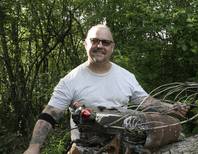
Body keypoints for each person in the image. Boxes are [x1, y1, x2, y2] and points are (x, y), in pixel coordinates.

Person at [24, 24, 188, 154]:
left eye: (105, 42)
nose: (100, 45)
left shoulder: (126, 77)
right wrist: (34, 147)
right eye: (94, 41)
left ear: (112, 47)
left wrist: (170, 108)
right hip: (86, 146)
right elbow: (49, 115)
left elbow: (146, 102)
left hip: (123, 144)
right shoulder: (70, 80)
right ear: (85, 44)